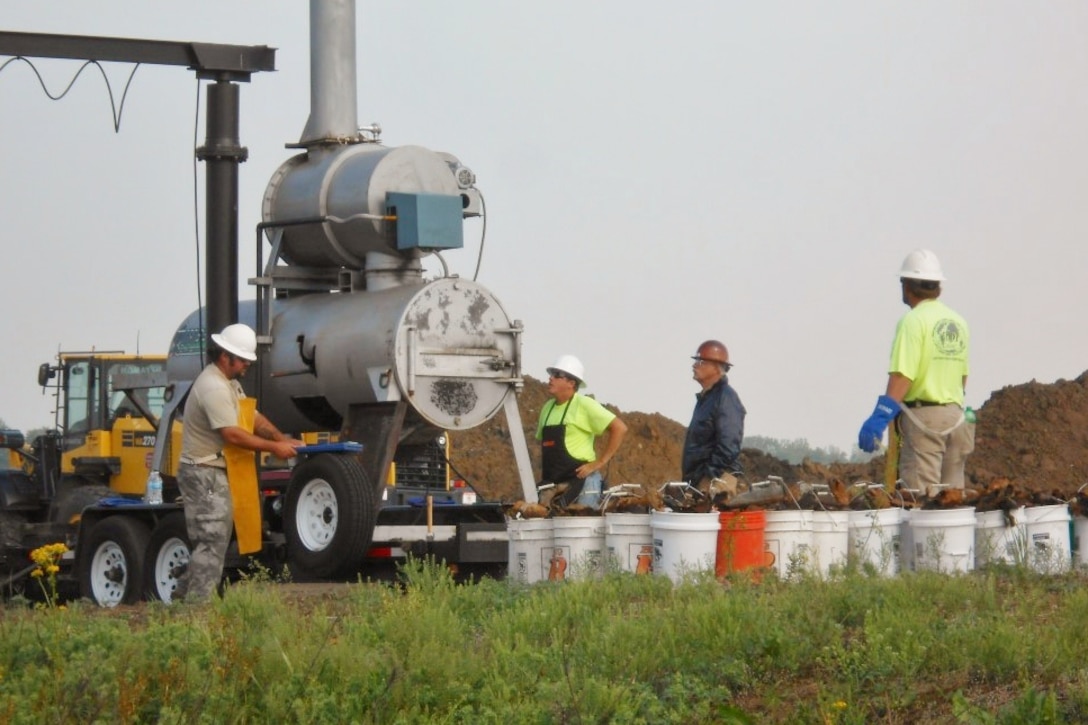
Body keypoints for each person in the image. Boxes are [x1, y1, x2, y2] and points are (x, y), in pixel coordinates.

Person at [175, 323, 303, 602]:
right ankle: (197, 609)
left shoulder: (229, 384)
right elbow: (233, 434)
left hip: (211, 471)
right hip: (203, 472)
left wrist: (283, 439)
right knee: (211, 538)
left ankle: (184, 596)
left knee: (214, 538)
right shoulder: (213, 388)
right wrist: (275, 448)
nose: (246, 365)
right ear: (225, 357)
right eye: (243, 359)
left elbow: (253, 418)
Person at [856, 249, 973, 491]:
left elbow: (902, 376)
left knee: (922, 503)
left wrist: (880, 416)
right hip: (957, 420)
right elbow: (963, 378)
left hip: (925, 422)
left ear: (907, 286)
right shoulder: (957, 322)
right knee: (953, 502)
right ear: (938, 286)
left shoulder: (912, 322)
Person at [535, 355, 627, 508]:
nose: (550, 378)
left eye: (557, 375)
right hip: (554, 486)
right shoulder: (547, 408)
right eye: (551, 374)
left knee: (581, 529)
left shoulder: (584, 405)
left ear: (571, 383)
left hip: (583, 484)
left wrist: (599, 463)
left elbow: (619, 428)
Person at [682, 340, 746, 490]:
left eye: (701, 361)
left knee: (713, 514)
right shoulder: (706, 399)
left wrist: (710, 476)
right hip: (701, 479)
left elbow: (729, 445)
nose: (694, 365)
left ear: (717, 367)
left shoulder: (726, 398)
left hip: (718, 480)